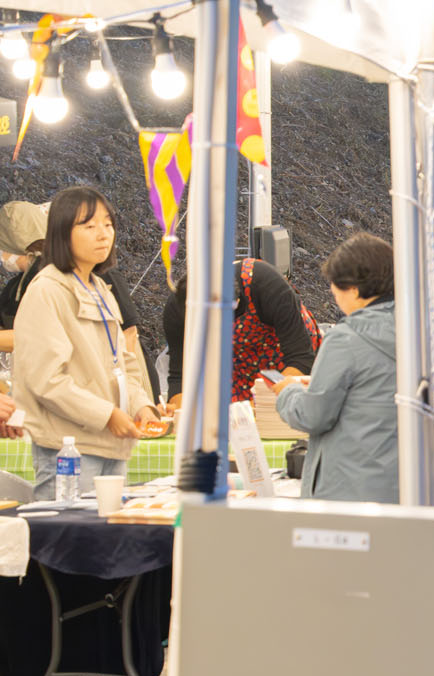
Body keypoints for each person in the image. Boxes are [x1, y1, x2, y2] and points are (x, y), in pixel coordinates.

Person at [12, 186, 158, 497]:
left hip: (112, 445)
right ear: (62, 233)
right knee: (69, 527)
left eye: (108, 224)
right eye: (89, 226)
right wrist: (107, 415)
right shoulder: (47, 290)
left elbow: (125, 364)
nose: (103, 234)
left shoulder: (100, 289)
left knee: (107, 526)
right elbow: (46, 380)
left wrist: (141, 405)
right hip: (69, 450)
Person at [273, 234, 399, 502]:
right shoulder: (417, 330)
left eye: (335, 285)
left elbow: (313, 415)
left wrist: (287, 392)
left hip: (348, 487)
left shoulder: (346, 338)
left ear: (353, 289)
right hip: (401, 483)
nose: (332, 291)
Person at [163, 255, 318, 410]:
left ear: (236, 303)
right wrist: (178, 410)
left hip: (284, 363)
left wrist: (262, 403)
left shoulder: (266, 285)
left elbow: (301, 359)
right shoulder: (177, 309)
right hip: (237, 369)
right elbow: (180, 376)